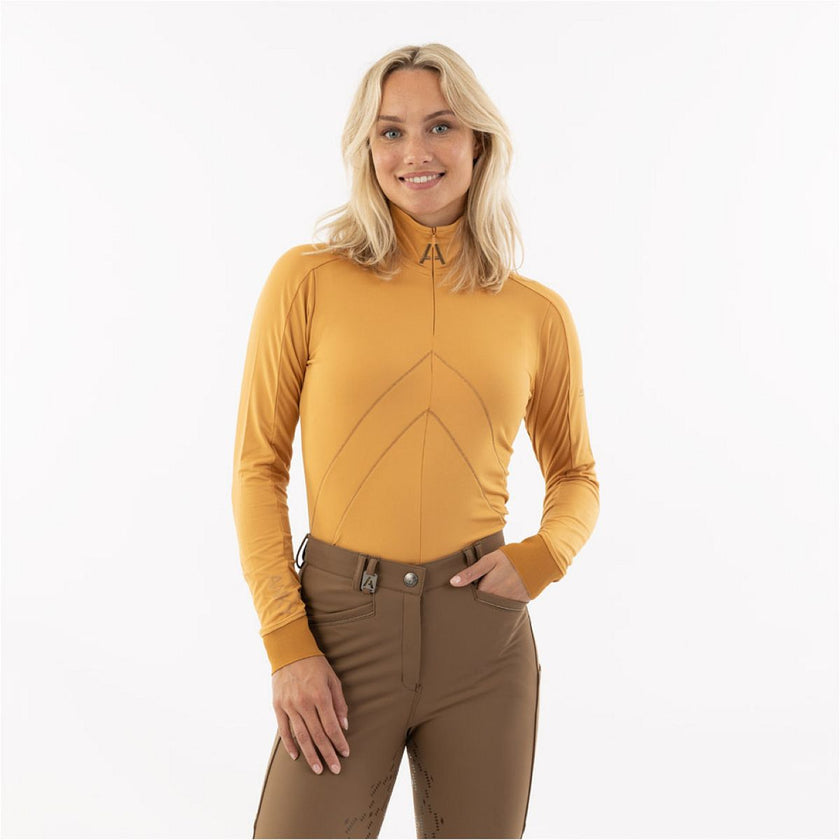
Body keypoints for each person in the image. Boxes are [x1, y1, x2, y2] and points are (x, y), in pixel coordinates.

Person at [231, 42, 600, 839]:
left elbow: (575, 473)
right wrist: (288, 645)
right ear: (366, 149)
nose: (415, 152)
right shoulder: (309, 280)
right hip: (339, 631)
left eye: (440, 125)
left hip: (483, 640)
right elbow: (258, 469)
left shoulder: (536, 313)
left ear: (478, 141)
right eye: (390, 131)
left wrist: (545, 556)